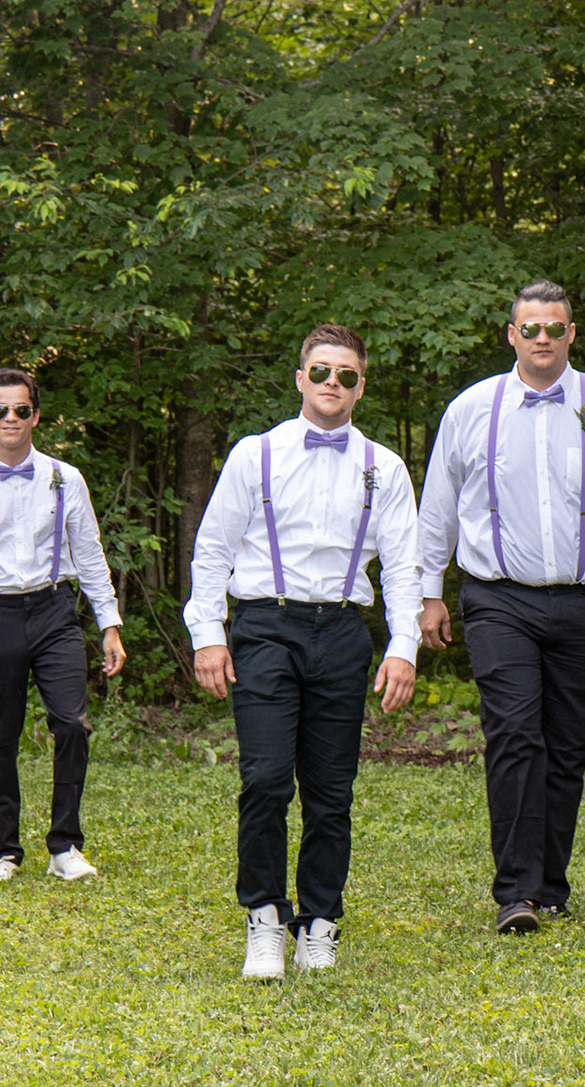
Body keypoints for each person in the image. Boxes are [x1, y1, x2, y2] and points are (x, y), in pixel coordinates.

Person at [418, 280, 585, 934]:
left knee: (566, 746)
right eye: (530, 328)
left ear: (571, 335)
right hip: (497, 599)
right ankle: (515, 893)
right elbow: (439, 506)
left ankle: (550, 885)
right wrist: (428, 591)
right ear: (511, 335)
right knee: (513, 735)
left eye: (554, 328)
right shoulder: (471, 409)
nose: (542, 339)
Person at [185, 324, 422, 980]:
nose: (331, 384)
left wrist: (403, 646)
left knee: (331, 790)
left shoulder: (384, 467)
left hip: (342, 631)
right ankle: (264, 917)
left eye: (345, 375)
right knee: (265, 779)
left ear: (361, 387)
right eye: (321, 371)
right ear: (300, 378)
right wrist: (208, 634)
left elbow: (404, 566)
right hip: (265, 626)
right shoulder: (255, 455)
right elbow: (213, 548)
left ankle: (320, 923)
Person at [0, 369, 126, 883]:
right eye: (1, 410)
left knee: (72, 724)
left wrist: (109, 623)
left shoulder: (65, 478)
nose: (11, 419)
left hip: (54, 611)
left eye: (21, 410)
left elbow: (90, 555)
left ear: (36, 416)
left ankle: (65, 845)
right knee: (0, 736)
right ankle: (5, 850)